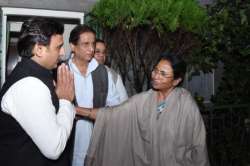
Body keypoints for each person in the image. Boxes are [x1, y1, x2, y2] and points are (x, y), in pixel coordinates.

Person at [76, 53, 210, 166]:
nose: (156, 76)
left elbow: (199, 145)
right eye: (155, 70)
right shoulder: (143, 100)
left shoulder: (186, 105)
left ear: (176, 81)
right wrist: (76, 110)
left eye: (163, 74)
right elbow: (110, 115)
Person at [0, 18, 75, 166]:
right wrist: (66, 100)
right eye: (58, 47)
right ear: (39, 49)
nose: (63, 52)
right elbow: (54, 148)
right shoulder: (29, 86)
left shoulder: (39, 76)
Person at [68, 25, 123, 166]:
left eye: (93, 44)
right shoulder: (61, 71)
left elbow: (116, 110)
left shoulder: (103, 73)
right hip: (67, 145)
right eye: (86, 44)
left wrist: (81, 111)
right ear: (73, 46)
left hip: (97, 145)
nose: (91, 49)